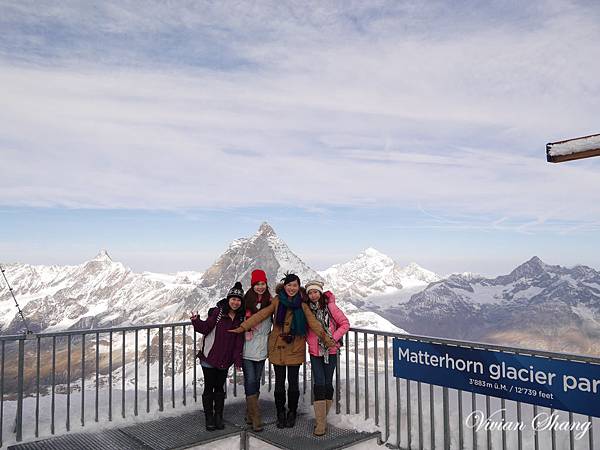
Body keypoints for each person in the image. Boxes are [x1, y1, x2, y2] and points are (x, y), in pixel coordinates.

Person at [230, 273, 336, 429]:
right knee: (279, 384)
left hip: (295, 347)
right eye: (289, 285)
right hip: (278, 347)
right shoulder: (277, 301)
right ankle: (280, 412)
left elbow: (313, 323)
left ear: (297, 287)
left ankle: (291, 412)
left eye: (294, 285)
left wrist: (326, 338)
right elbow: (261, 314)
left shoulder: (302, 304)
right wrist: (243, 327)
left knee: (293, 384)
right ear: (284, 286)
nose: (291, 288)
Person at [190, 281, 245, 431]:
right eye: (233, 299)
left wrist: (237, 360)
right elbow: (205, 327)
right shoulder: (218, 313)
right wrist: (195, 321)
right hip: (209, 357)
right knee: (209, 387)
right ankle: (209, 417)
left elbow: (238, 343)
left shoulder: (240, 318)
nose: (235, 302)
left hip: (225, 360)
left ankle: (218, 416)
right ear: (228, 299)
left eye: (238, 300)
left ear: (241, 302)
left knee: (219, 388)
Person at [304, 280, 350, 436]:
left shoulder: (330, 307)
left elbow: (344, 323)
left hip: (330, 351)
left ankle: (322, 419)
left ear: (320, 292)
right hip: (315, 352)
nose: (313, 295)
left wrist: (332, 339)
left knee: (328, 383)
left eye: (315, 292)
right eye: (310, 293)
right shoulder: (307, 310)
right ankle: (321, 423)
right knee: (319, 383)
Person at [241, 269, 272, 432]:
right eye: (257, 284)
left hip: (262, 349)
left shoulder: (271, 302)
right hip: (247, 349)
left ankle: (249, 413)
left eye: (263, 283)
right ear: (253, 285)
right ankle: (256, 418)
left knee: (256, 381)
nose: (260, 287)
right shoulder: (246, 301)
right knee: (250, 380)